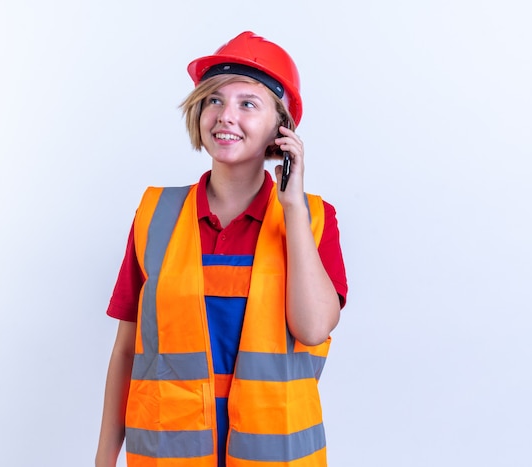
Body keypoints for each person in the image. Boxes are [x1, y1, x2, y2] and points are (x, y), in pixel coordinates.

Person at [95, 31, 348, 467]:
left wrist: (291, 211)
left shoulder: (312, 218)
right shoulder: (156, 215)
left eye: (248, 103)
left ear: (281, 128)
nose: (225, 116)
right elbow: (125, 350)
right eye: (214, 100)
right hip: (167, 456)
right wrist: (103, 459)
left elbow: (312, 329)